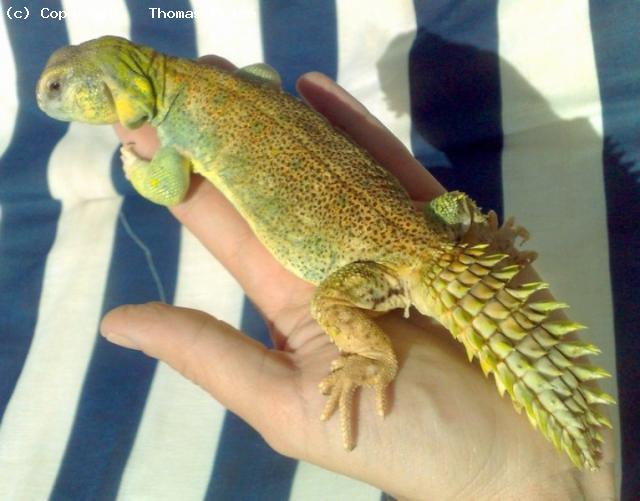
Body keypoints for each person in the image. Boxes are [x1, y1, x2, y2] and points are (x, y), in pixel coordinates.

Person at [101, 59, 616, 500]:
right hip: (435, 230)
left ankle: (374, 355)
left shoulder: (176, 113)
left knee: (329, 304)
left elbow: (167, 183)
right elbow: (261, 74)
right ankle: (484, 247)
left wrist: (137, 169)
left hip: (395, 264)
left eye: (61, 87)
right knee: (451, 210)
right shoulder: (218, 87)